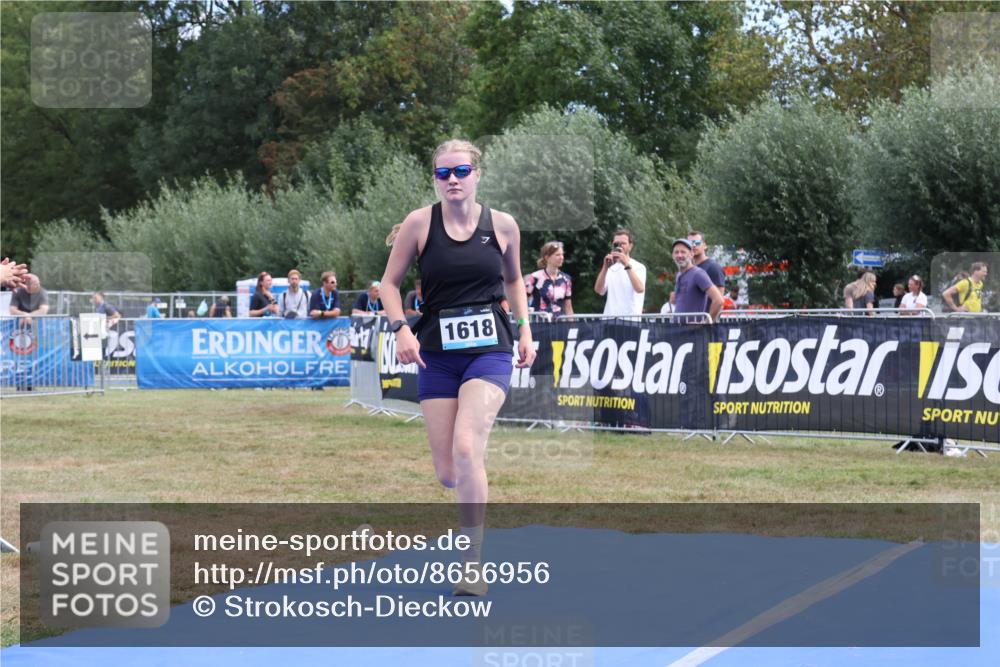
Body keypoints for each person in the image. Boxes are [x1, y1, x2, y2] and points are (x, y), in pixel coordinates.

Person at [379, 138, 535, 596]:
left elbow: (513, 279)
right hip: (436, 354)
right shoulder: (419, 224)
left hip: (491, 350)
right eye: (443, 173)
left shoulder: (503, 226)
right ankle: (471, 480)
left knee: (467, 448)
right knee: (448, 471)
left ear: (477, 175)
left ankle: (472, 566)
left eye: (460, 172)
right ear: (434, 178)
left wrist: (524, 330)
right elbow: (389, 284)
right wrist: (400, 329)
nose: (451, 180)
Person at [594, 228, 646, 316]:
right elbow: (599, 290)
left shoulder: (639, 267)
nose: (619, 246)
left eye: (623, 243)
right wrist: (605, 267)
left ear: (630, 246)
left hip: (630, 320)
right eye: (616, 244)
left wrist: (626, 263)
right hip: (609, 319)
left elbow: (640, 289)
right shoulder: (610, 268)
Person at [671, 239, 723, 322]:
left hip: (695, 333)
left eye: (683, 252)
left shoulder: (698, 273)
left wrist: (705, 323)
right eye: (676, 252)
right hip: (678, 330)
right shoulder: (679, 275)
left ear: (691, 254)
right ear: (672, 255)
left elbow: (719, 300)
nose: (679, 255)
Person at [524, 241, 573, 317]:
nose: (561, 257)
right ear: (547, 258)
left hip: (559, 324)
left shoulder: (566, 279)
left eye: (562, 254)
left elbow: (568, 307)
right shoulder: (535, 277)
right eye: (557, 255)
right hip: (539, 324)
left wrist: (572, 326)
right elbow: (522, 301)